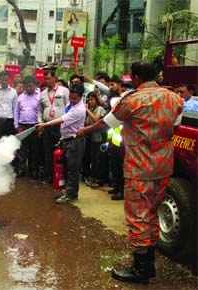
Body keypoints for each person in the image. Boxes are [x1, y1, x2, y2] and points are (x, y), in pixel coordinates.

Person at [77, 61, 183, 284]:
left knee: (138, 217)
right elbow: (175, 126)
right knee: (153, 212)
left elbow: (106, 123)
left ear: (135, 78)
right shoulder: (174, 98)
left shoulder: (133, 100)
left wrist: (85, 130)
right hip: (163, 166)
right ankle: (149, 264)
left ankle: (140, 268)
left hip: (140, 168)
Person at [37, 83, 86, 204]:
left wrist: (44, 124)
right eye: (70, 97)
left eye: (75, 98)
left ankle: (71, 194)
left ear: (80, 97)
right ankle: (69, 191)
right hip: (67, 139)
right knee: (67, 167)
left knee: (73, 169)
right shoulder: (71, 104)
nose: (71, 100)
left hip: (75, 141)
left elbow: (61, 119)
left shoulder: (79, 110)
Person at [38, 70, 69, 184]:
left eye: (48, 78)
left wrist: (66, 124)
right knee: (48, 152)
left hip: (60, 126)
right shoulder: (42, 94)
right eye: (44, 79)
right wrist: (40, 123)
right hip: (47, 126)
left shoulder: (64, 91)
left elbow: (69, 107)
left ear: (54, 78)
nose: (46, 81)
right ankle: (49, 176)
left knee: (61, 151)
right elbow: (40, 111)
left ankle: (61, 176)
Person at [14, 76, 41, 179]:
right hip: (22, 126)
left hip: (35, 126)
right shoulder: (20, 97)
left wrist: (40, 126)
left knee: (34, 150)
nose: (28, 88)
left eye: (30, 86)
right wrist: (16, 125)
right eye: (27, 87)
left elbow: (40, 111)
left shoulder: (39, 96)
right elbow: (16, 111)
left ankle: (33, 171)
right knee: (22, 150)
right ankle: (21, 170)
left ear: (34, 85)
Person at [82, 91, 107, 187]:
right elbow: (87, 122)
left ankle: (99, 179)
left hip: (100, 137)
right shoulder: (91, 109)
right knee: (92, 158)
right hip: (92, 137)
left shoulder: (100, 108)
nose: (90, 102)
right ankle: (92, 177)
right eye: (89, 100)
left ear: (96, 100)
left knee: (98, 158)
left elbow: (97, 119)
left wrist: (87, 110)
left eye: (92, 99)